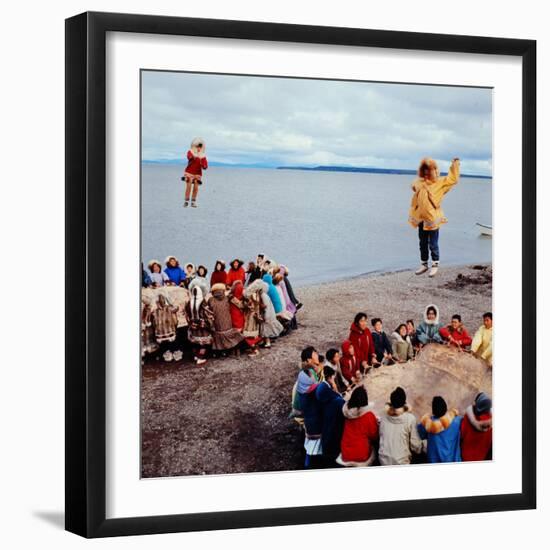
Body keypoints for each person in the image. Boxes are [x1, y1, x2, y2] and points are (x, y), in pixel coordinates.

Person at [408, 157, 460, 277]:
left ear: (434, 171)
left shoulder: (440, 183)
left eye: (428, 170)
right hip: (421, 218)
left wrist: (455, 165)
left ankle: (435, 264)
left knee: (433, 244)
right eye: (424, 170)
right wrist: (419, 182)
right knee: (422, 243)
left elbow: (453, 179)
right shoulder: (419, 182)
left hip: (433, 219)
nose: (426, 173)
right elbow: (412, 186)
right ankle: (424, 264)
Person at [378, 387, 423, 466]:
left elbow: (380, 435)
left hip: (383, 460)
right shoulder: (410, 418)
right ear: (404, 403)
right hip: (401, 462)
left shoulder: (383, 416)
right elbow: (415, 446)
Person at [339, 386, 379, 466]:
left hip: (345, 453)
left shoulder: (347, 413)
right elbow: (374, 435)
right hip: (361, 455)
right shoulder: (368, 415)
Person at [297, 347, 323, 466]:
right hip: (311, 412)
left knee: (312, 441)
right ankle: (309, 463)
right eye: (315, 354)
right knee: (313, 440)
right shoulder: (306, 375)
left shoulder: (310, 372)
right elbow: (316, 390)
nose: (317, 355)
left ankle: (310, 460)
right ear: (309, 360)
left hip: (312, 410)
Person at [417, 396, 463, 463]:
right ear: (445, 407)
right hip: (453, 461)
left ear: (433, 410)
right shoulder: (457, 421)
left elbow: (419, 435)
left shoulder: (427, 424)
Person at [316, 366, 346, 466]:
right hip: (332, 422)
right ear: (330, 378)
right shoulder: (327, 390)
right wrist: (336, 389)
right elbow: (340, 401)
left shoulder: (321, 387)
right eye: (333, 378)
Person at [208, 283, 244, 355]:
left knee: (219, 333)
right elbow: (241, 305)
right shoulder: (228, 298)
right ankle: (234, 349)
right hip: (228, 322)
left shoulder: (211, 300)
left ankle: (221, 351)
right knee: (229, 332)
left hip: (217, 323)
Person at [185, 286, 214, 365]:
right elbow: (208, 313)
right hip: (202, 326)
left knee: (195, 342)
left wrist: (190, 322)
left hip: (193, 325)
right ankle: (200, 357)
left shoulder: (189, 302)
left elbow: (187, 314)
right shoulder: (203, 302)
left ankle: (195, 356)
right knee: (203, 343)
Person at [460, 392, 493, 461]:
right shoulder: (492, 423)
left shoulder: (468, 418)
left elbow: (461, 435)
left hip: (465, 457)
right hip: (480, 458)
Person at [255, 279, 283, 347]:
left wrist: (265, 316)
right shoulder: (265, 294)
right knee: (266, 329)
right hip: (269, 313)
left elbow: (266, 306)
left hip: (267, 314)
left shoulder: (263, 295)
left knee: (266, 329)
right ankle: (266, 341)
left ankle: (267, 342)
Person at [183, 137, 208, 208]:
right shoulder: (190, 152)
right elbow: (189, 157)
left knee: (196, 187)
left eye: (200, 146)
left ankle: (193, 202)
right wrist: (193, 156)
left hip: (197, 173)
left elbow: (205, 166)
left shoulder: (203, 156)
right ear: (194, 146)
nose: (198, 148)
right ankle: (186, 201)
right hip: (189, 171)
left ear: (201, 147)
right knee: (189, 185)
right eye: (197, 146)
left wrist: (204, 164)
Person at [242, 279, 264, 356]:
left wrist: (245, 305)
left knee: (249, 334)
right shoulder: (258, 294)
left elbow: (250, 307)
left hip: (251, 317)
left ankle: (255, 350)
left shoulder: (252, 295)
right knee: (254, 334)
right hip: (255, 315)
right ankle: (255, 349)